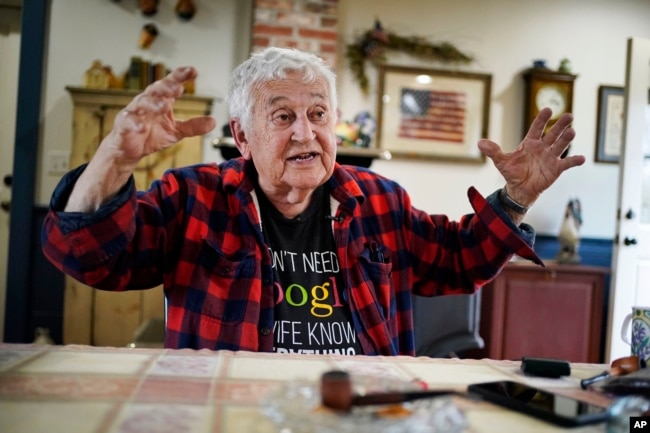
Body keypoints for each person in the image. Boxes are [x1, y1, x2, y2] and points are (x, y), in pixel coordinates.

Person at [42, 47, 585, 356]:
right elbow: (88, 256)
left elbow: (458, 260)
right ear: (243, 135)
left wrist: (515, 197)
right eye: (282, 116)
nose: (306, 133)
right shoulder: (193, 198)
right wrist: (114, 156)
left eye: (318, 114)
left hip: (363, 413)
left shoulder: (378, 200)